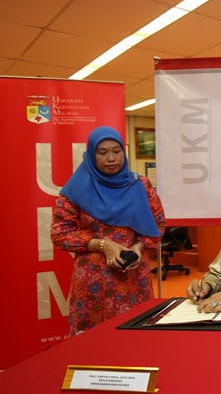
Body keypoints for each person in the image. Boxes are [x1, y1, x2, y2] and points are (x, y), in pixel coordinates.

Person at [51, 126, 165, 335]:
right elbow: (59, 233)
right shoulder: (76, 188)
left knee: (136, 335)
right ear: (91, 154)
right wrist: (102, 245)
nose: (111, 158)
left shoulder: (140, 185)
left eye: (116, 151)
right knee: (92, 341)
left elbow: (157, 224)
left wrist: (138, 248)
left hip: (133, 276)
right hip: (93, 278)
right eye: (102, 152)